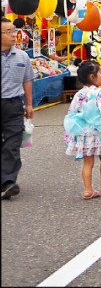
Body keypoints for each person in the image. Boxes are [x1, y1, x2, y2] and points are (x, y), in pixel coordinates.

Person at [63, 60, 101, 199]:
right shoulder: (100, 94)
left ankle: (88, 189)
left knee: (88, 162)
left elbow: (72, 112)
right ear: (92, 76)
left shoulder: (78, 94)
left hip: (85, 133)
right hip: (99, 132)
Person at [1, 17, 34, 200]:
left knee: (12, 144)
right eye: (9, 32)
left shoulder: (22, 56)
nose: (14, 35)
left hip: (14, 104)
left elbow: (27, 80)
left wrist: (29, 105)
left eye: (14, 31)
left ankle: (8, 182)